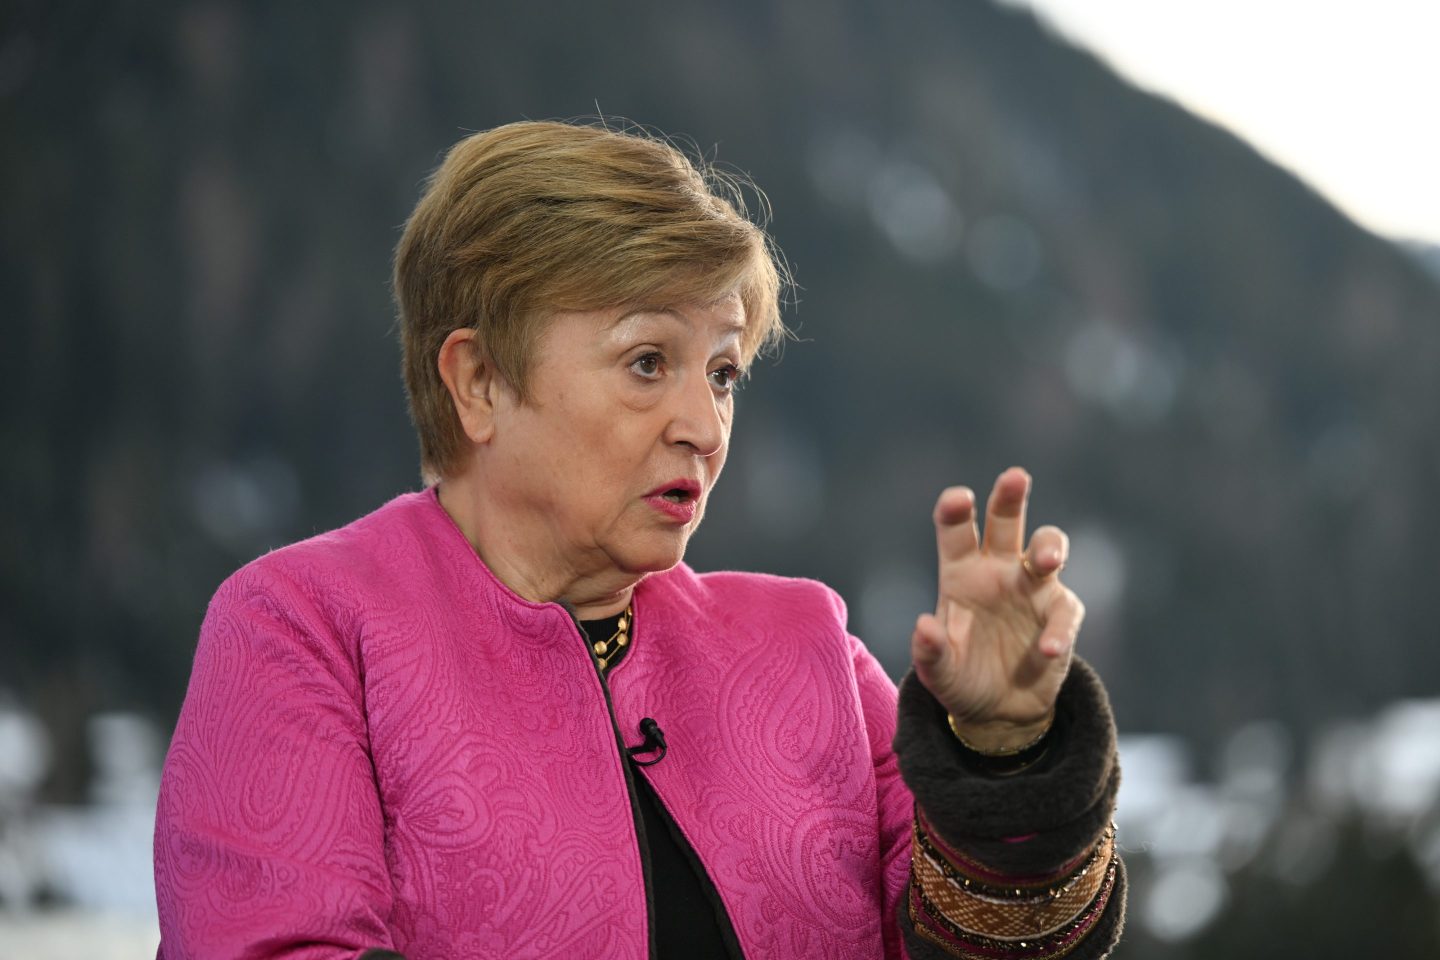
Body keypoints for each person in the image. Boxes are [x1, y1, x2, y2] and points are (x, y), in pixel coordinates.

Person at [153, 120, 1125, 959]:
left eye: (724, 373)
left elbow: (1003, 943)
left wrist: (1003, 756)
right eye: (648, 361)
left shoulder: (811, 649)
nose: (704, 425)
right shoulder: (304, 628)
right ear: (481, 381)